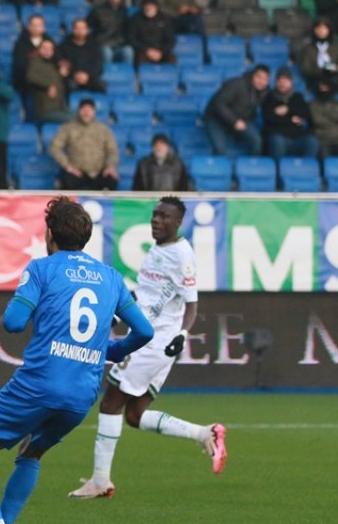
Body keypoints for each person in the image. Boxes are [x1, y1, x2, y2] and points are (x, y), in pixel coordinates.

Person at [0, 197, 154, 524]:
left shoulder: (41, 269)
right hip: (81, 395)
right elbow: (145, 331)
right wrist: (113, 351)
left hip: (38, 384)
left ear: (49, 234)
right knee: (31, 453)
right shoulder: (110, 277)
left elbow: (13, 323)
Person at [69, 196, 226, 501]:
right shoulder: (158, 249)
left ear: (178, 222)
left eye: (164, 216)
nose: (156, 220)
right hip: (153, 339)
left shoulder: (182, 255)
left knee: (110, 403)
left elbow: (191, 303)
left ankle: (101, 480)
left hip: (153, 342)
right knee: (135, 415)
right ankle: (205, 433)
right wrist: (118, 311)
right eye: (155, 215)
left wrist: (182, 332)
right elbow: (147, 295)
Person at [49, 99, 120, 190]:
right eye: (84, 110)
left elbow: (112, 150)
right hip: (76, 172)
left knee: (111, 180)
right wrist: (67, 166)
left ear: (94, 112)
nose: (86, 113)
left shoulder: (103, 129)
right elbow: (54, 147)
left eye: (89, 110)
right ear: (79, 111)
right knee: (67, 180)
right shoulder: (68, 128)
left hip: (98, 172)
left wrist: (110, 166)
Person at [205, 65, 270, 157]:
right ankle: (219, 170)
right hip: (217, 118)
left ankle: (250, 167)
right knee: (220, 149)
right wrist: (234, 121)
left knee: (257, 141)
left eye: (265, 79)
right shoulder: (237, 84)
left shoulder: (264, 92)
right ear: (252, 75)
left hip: (240, 120)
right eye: (259, 77)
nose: (262, 82)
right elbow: (219, 103)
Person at [262, 69, 320, 159]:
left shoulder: (297, 97)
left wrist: (287, 109)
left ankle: (306, 170)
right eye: (280, 80)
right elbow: (269, 117)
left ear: (291, 82)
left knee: (312, 141)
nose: (282, 83)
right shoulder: (269, 97)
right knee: (277, 140)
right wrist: (291, 119)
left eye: (285, 80)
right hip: (279, 136)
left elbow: (305, 113)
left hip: (297, 137)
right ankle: (278, 170)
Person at [295, 19, 338, 91]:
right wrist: (322, 71)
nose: (321, 30)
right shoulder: (308, 49)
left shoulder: (337, 47)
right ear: (314, 30)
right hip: (316, 77)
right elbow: (306, 68)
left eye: (324, 28)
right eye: (318, 28)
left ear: (329, 30)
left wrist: (337, 68)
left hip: (335, 76)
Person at [27, 39, 71, 124]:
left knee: (81, 116)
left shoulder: (51, 65)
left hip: (59, 107)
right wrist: (49, 85)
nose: (47, 51)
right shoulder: (34, 62)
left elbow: (56, 82)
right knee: (73, 121)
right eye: (44, 48)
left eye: (50, 49)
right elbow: (31, 76)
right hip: (45, 110)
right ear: (39, 49)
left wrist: (62, 75)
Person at [88, 0, 132, 64]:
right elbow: (88, 26)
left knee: (128, 51)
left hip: (120, 44)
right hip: (103, 43)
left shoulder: (124, 11)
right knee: (107, 53)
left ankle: (126, 75)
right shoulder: (98, 11)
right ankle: (107, 76)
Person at [59, 19, 106, 94]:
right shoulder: (64, 46)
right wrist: (75, 74)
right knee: (64, 86)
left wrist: (87, 75)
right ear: (73, 29)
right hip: (72, 78)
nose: (80, 31)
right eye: (77, 28)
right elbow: (63, 64)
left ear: (87, 30)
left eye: (83, 28)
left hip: (90, 78)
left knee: (102, 85)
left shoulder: (94, 45)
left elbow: (98, 65)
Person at [127, 0, 176, 65]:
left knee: (172, 59)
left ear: (156, 7)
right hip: (143, 51)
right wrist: (147, 50)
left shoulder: (165, 19)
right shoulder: (135, 20)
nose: (149, 7)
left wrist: (161, 51)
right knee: (138, 58)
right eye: (147, 5)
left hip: (161, 51)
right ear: (143, 7)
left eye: (151, 5)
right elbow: (132, 39)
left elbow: (171, 40)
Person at [11, 14, 50, 95]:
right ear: (28, 27)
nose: (36, 28)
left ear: (44, 27)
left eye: (39, 25)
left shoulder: (50, 42)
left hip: (47, 81)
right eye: (33, 25)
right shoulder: (20, 44)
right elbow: (19, 64)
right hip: (27, 83)